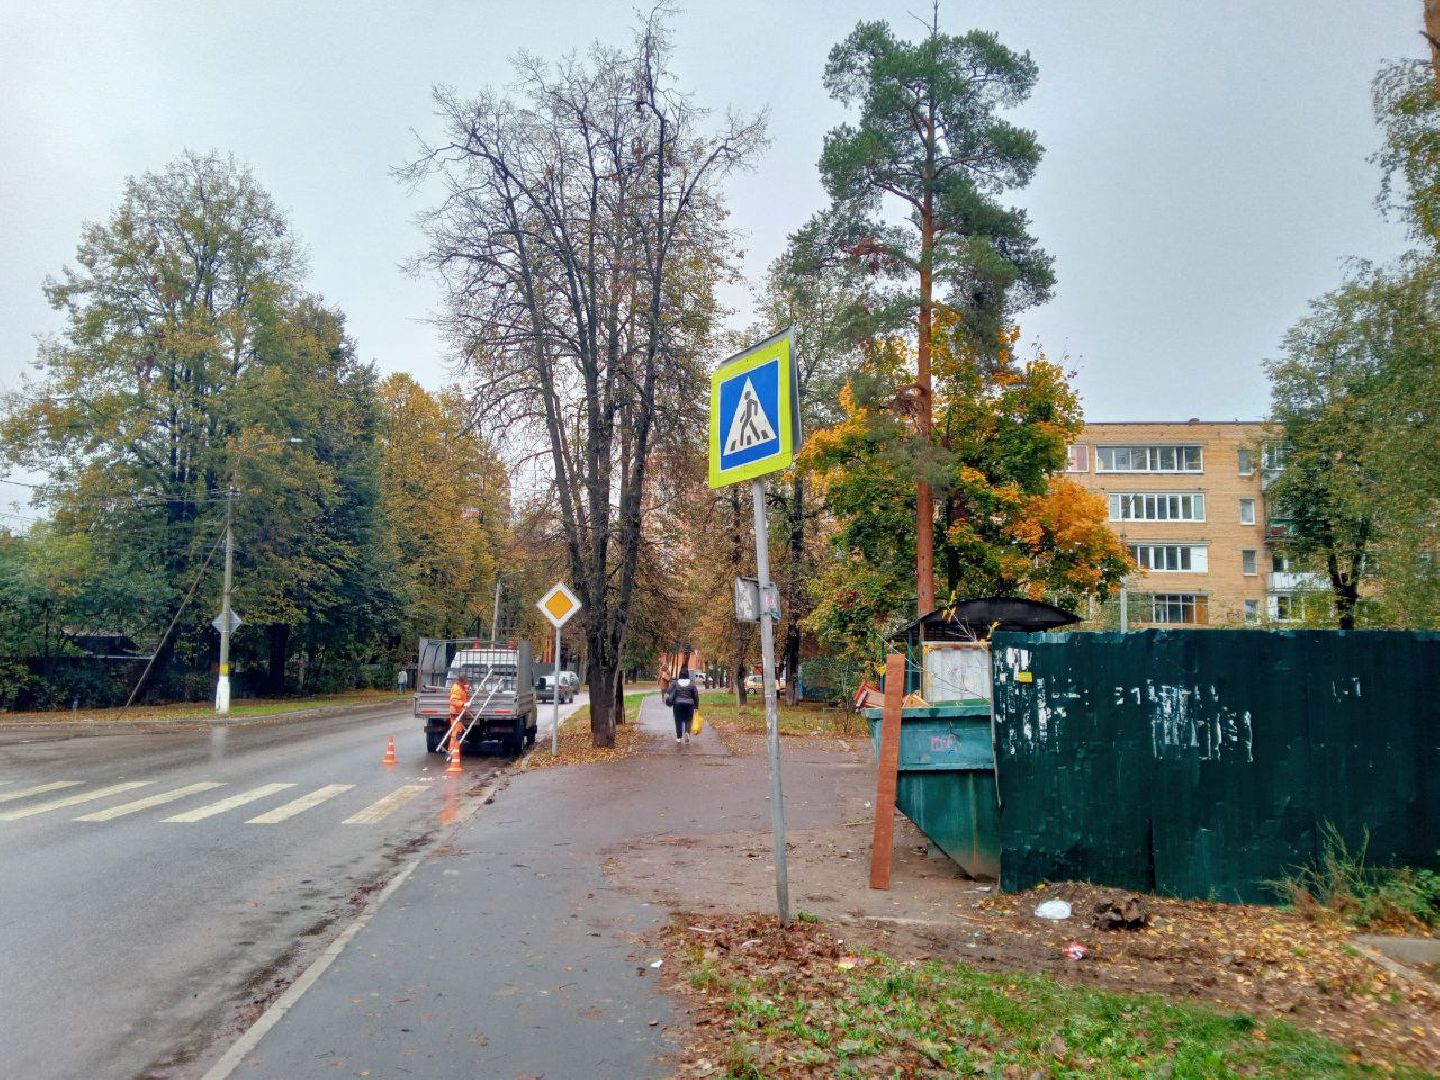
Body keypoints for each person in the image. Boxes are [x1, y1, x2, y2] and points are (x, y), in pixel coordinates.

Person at [663, 666, 700, 745]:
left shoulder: (675, 683)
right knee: (688, 720)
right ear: (688, 675)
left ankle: (679, 737)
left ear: (679, 674)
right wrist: (696, 706)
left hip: (678, 704)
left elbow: (668, 692)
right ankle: (687, 733)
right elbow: (696, 696)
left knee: (678, 720)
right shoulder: (692, 683)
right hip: (689, 704)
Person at [448, 674, 470, 740]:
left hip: (458, 713)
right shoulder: (457, 689)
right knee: (456, 733)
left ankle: (455, 746)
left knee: (457, 732)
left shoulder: (460, 687)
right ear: (461, 681)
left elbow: (462, 691)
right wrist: (463, 704)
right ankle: (455, 746)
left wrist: (467, 688)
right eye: (465, 682)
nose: (465, 684)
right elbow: (453, 700)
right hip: (455, 713)